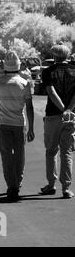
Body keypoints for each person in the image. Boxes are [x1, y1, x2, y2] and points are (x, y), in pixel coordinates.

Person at [0, 52, 35, 202]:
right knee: (19, 155)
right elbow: (30, 108)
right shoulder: (24, 83)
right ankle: (17, 184)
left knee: (6, 155)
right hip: (19, 124)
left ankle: (10, 186)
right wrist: (31, 128)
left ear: (4, 66)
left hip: (3, 123)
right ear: (19, 66)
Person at [40, 45, 75, 199]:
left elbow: (51, 92)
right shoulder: (74, 70)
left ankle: (51, 184)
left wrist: (62, 109)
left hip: (53, 115)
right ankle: (66, 187)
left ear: (54, 56)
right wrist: (69, 109)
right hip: (71, 115)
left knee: (51, 151)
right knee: (66, 152)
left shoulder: (48, 71)